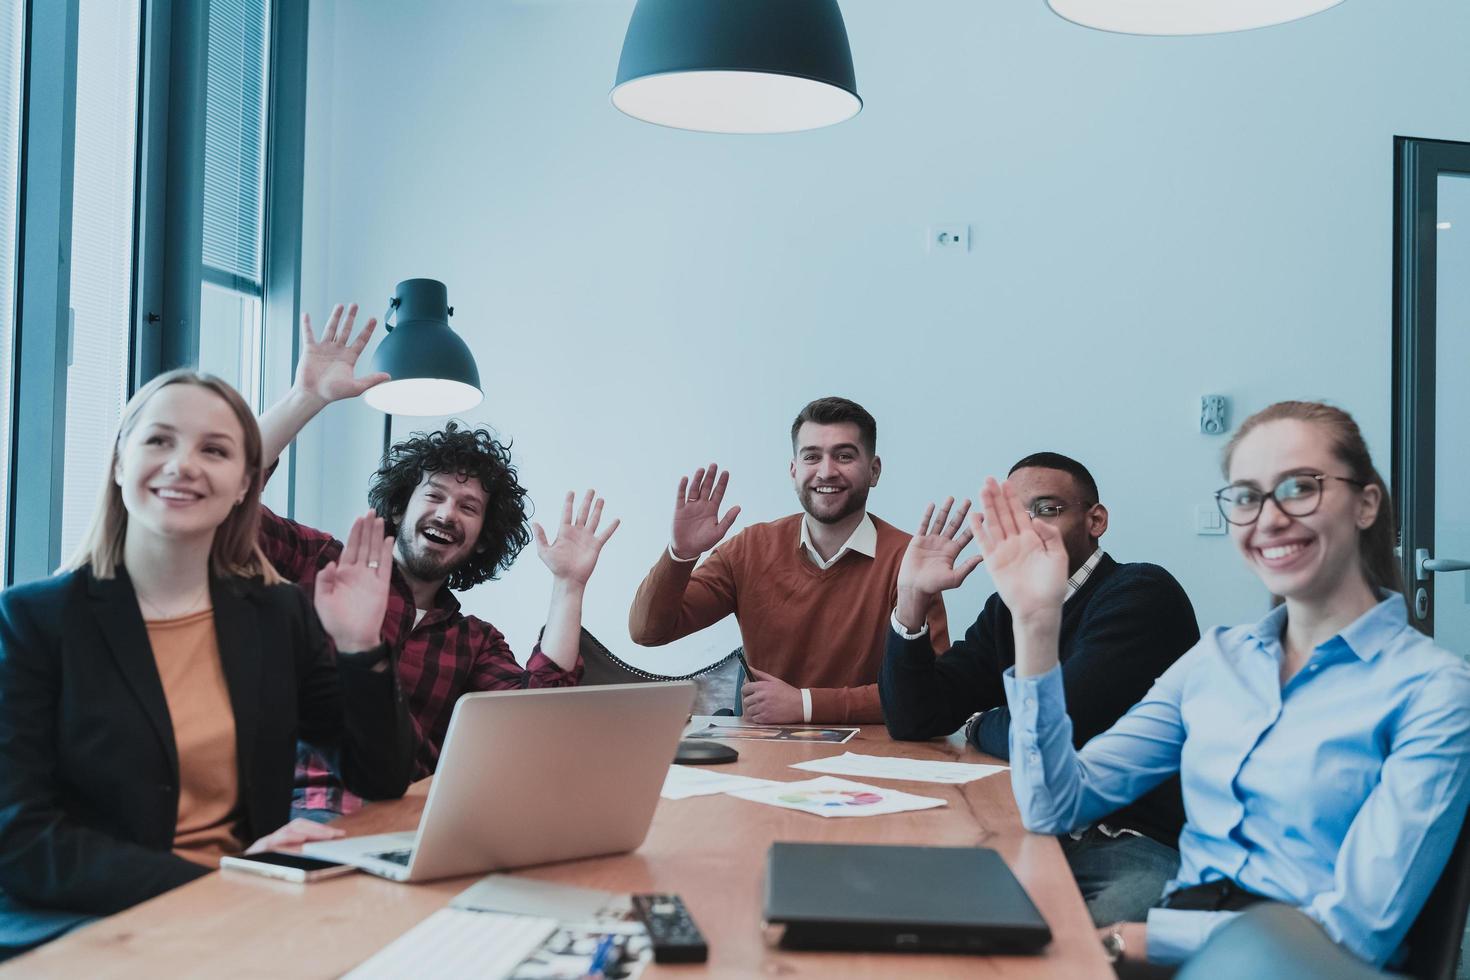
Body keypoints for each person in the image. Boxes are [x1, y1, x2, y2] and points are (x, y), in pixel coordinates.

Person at [978, 401, 1470, 970]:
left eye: (1299, 488)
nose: (1269, 517)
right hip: (1186, 949)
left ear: (1365, 505)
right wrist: (1034, 625)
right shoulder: (1217, 660)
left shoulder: (1434, 691)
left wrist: (1133, 940)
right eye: (1246, 496)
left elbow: (1355, 933)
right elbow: (1053, 806)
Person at [0, 370, 412, 959]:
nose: (183, 464)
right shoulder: (32, 620)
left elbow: (379, 776)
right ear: (120, 464)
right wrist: (227, 879)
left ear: (245, 484)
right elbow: (20, 842)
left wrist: (359, 644)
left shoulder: (278, 614)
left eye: (213, 450)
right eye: (159, 441)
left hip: (239, 922)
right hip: (81, 929)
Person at [256, 304, 618, 818]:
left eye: (469, 507)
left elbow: (538, 718)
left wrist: (569, 585)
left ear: (482, 536)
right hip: (308, 811)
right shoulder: (327, 565)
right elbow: (229, 508)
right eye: (436, 495)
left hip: (420, 823)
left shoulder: (475, 641)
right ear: (402, 504)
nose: (449, 513)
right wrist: (305, 399)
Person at [879, 452, 1198, 925]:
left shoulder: (1142, 592)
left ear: (1095, 520)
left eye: (1047, 509)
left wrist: (977, 722)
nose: (1029, 527)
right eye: (1014, 514)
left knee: (1094, 945)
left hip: (1125, 839)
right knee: (904, 904)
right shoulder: (1006, 609)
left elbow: (1060, 725)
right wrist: (911, 601)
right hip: (1028, 824)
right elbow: (915, 719)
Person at [628, 396, 948, 724]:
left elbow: (933, 690)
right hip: (765, 753)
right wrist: (680, 555)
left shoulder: (910, 561)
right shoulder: (749, 549)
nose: (827, 471)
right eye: (812, 456)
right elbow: (648, 632)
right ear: (794, 470)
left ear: (874, 470)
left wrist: (807, 705)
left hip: (875, 754)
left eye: (844, 456)